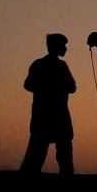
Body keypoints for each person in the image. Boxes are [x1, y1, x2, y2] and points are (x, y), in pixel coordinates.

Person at [20, 33, 77, 176]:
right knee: (57, 151)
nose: (65, 49)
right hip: (54, 114)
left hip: (44, 114)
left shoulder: (39, 65)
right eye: (63, 45)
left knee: (39, 151)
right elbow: (72, 87)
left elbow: (28, 85)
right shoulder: (59, 67)